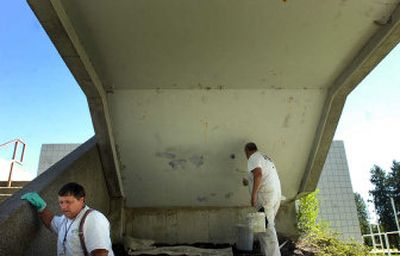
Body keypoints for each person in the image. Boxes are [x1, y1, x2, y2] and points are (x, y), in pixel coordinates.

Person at [21, 182, 114, 256]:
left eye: (68, 202)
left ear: (81, 201)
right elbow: (51, 221)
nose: (64, 207)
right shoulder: (65, 219)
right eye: (61, 202)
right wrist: (41, 207)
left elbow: (100, 253)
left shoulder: (94, 219)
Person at [242, 142, 281, 256]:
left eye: (245, 153)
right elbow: (258, 175)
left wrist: (253, 195)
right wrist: (247, 180)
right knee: (263, 227)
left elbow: (258, 175)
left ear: (247, 151)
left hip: (265, 196)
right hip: (274, 194)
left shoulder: (253, 157)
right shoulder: (264, 158)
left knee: (267, 229)